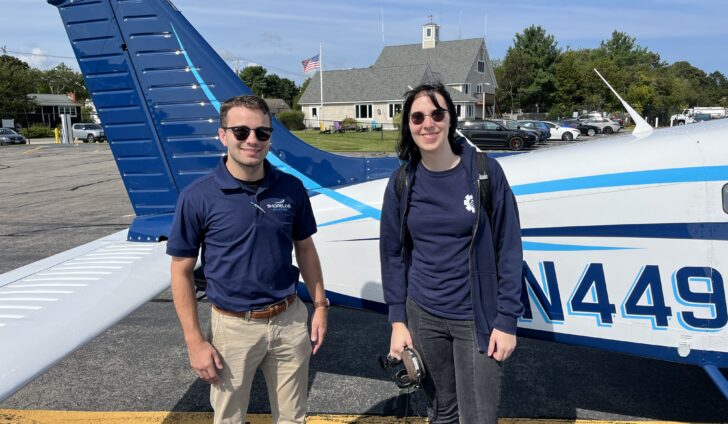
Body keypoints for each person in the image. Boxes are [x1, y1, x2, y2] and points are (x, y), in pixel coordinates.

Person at [167, 95, 328, 424]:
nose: (252, 140)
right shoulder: (197, 196)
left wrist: (320, 305)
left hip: (289, 320)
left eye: (262, 133)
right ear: (223, 135)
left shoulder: (291, 188)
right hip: (233, 326)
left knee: (293, 418)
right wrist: (195, 341)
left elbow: (306, 248)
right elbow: (181, 271)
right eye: (241, 132)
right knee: (229, 418)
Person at [379, 83, 523, 424]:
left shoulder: (484, 172)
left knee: (478, 416)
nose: (427, 124)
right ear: (408, 125)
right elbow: (392, 254)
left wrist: (507, 321)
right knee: (443, 410)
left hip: (477, 317)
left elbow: (510, 249)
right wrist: (398, 320)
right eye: (417, 117)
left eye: (436, 114)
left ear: (450, 119)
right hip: (423, 314)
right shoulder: (402, 182)